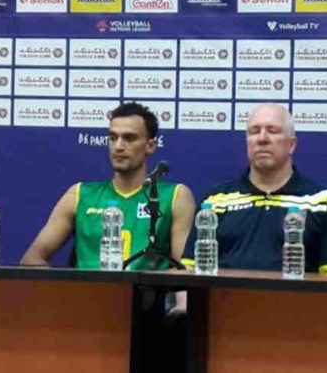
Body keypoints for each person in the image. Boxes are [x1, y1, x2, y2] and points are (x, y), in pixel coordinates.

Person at [21, 102, 196, 270]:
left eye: (129, 138)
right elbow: (32, 260)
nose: (118, 146)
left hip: (146, 291)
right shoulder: (79, 194)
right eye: (113, 138)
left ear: (150, 146)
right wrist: (70, 287)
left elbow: (185, 269)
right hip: (88, 290)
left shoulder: (175, 196)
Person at [181, 102, 327, 275]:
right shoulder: (215, 200)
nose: (262, 139)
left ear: (291, 144)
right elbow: (189, 269)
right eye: (254, 131)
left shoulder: (322, 200)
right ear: (247, 142)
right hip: (222, 293)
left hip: (295, 293)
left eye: (272, 131)